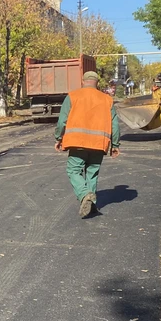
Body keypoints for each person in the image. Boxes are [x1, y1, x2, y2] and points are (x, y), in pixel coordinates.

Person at [54, 71, 121, 218]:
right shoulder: (107, 99)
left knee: (73, 171)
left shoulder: (72, 96)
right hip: (99, 144)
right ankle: (92, 206)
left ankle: (85, 195)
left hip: (77, 143)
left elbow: (62, 122)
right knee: (92, 172)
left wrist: (58, 138)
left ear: (83, 81)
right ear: (97, 83)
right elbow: (114, 124)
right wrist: (115, 145)